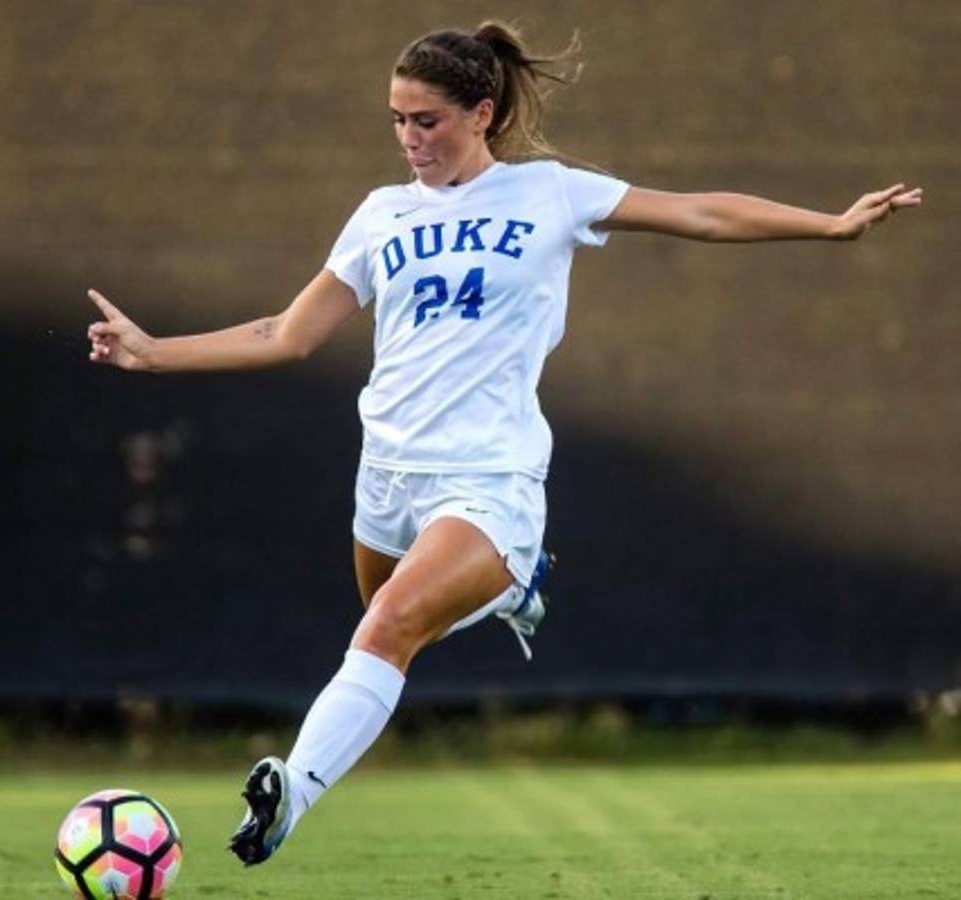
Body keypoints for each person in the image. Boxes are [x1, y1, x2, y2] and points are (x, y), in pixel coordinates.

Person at [86, 21, 922, 866]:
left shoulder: (549, 194)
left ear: (480, 113)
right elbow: (287, 334)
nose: (409, 140)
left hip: (487, 478)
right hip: (385, 477)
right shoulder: (381, 215)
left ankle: (288, 795)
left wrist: (830, 225)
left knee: (387, 628)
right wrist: (153, 352)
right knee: (391, 626)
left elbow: (698, 212)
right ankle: (512, 589)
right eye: (396, 121)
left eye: (427, 120)